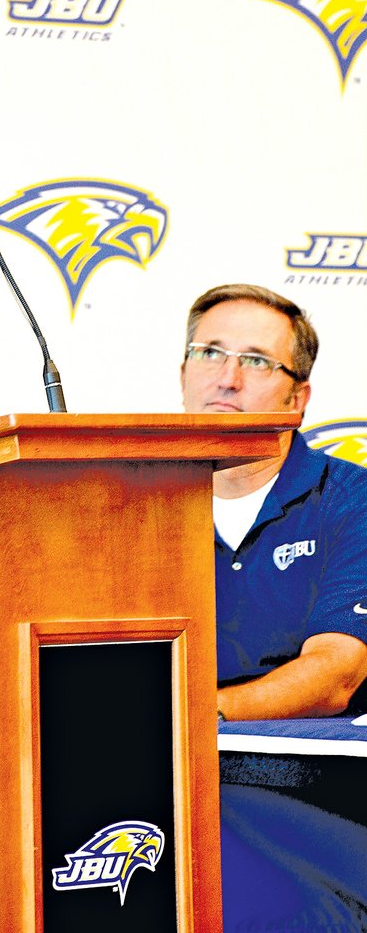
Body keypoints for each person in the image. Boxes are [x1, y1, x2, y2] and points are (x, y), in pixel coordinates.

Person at [180, 283, 367, 723]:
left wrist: (196, 717)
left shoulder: (351, 499)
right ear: (182, 374)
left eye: (257, 360)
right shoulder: (129, 508)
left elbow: (336, 675)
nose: (227, 379)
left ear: (297, 400)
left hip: (308, 773)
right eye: (210, 353)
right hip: (162, 760)